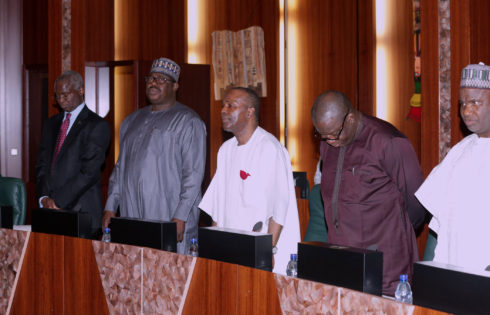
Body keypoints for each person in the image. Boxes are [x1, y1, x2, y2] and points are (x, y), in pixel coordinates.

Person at [311, 90, 426, 296]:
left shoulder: (389, 142)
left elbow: (416, 203)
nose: (329, 141)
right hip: (344, 261)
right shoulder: (329, 142)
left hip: (385, 266)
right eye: (322, 135)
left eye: (334, 134)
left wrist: (395, 234)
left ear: (351, 118)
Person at [103, 57, 206, 254]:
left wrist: (181, 215)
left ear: (175, 86)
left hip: (167, 214)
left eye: (161, 79)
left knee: (170, 275)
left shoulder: (188, 121)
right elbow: (120, 168)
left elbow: (193, 174)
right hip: (132, 213)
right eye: (151, 78)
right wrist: (110, 206)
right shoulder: (131, 120)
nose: (153, 82)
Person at [199, 87, 300, 275]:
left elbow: (279, 207)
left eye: (231, 106)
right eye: (223, 105)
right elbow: (217, 206)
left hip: (260, 251)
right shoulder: (225, 150)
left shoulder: (270, 149)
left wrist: (267, 250)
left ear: (250, 111)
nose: (223, 110)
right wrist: (213, 246)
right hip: (230, 248)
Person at [415, 63, 490, 272]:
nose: (466, 110)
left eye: (475, 102)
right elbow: (437, 224)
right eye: (462, 103)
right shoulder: (459, 151)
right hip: (453, 272)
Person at [36, 70, 111, 238]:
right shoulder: (51, 124)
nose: (61, 100)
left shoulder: (97, 126)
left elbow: (88, 172)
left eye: (66, 95)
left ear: (81, 90)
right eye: (57, 96)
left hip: (81, 215)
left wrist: (58, 201)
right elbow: (42, 164)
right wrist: (44, 198)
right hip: (50, 214)